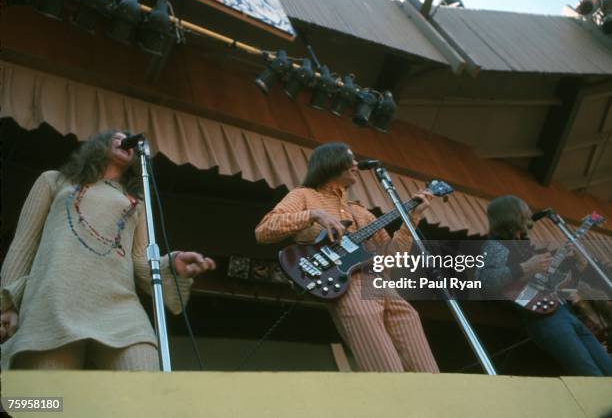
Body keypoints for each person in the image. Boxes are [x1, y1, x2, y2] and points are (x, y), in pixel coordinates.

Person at [0, 130, 216, 370]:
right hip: (54, 299)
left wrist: (172, 264)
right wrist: (7, 304)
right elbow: (23, 245)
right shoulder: (53, 180)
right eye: (115, 136)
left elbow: (141, 262)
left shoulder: (137, 203)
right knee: (49, 404)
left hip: (119, 308)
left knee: (143, 388)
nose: (124, 139)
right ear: (97, 145)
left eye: (128, 141)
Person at [255, 142, 439, 373]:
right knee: (383, 364)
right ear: (331, 161)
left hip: (379, 282)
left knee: (413, 330)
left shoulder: (361, 212)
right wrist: (314, 214)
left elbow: (391, 259)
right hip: (346, 284)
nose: (355, 164)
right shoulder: (303, 195)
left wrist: (412, 218)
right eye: (349, 159)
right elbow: (264, 230)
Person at [478, 195, 612, 376]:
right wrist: (525, 267)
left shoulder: (523, 246)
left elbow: (561, 287)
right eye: (524, 212)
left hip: (564, 311)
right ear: (512, 215)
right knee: (591, 374)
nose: (529, 215)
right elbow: (485, 281)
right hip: (543, 319)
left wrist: (577, 266)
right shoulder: (494, 245)